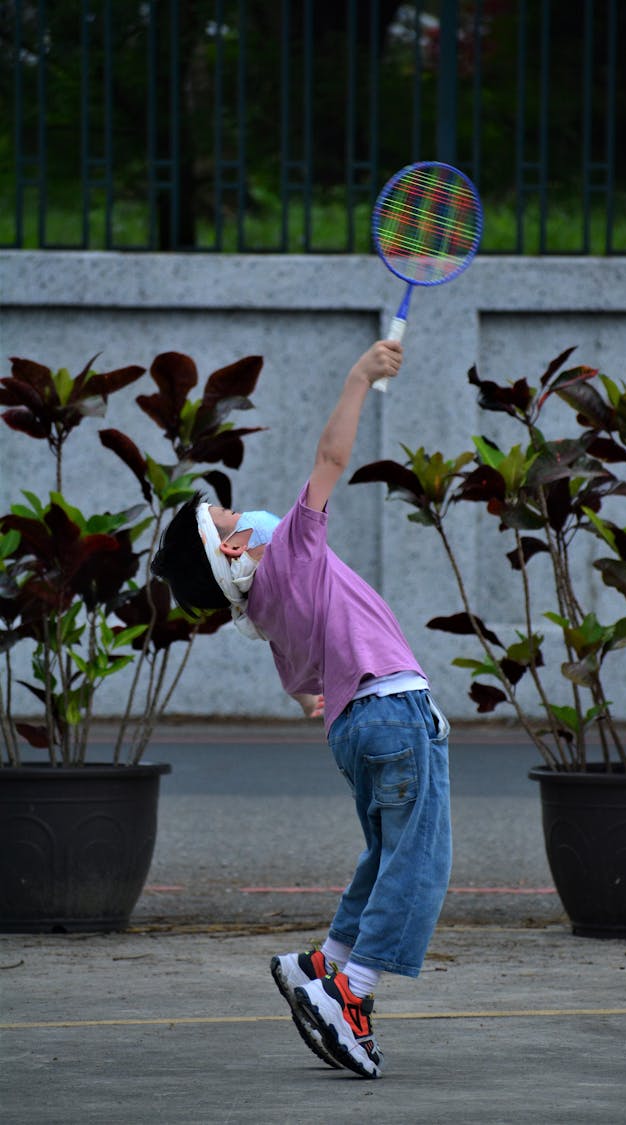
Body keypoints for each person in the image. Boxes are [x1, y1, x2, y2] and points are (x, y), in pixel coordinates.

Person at [151, 339, 452, 1079]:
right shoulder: (289, 552)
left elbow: (306, 690)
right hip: (393, 711)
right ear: (234, 555)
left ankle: (326, 961)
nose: (236, 511)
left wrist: (325, 691)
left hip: (352, 728)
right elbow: (330, 458)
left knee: (385, 854)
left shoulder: (268, 615)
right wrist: (357, 377)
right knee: (419, 862)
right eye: (226, 518)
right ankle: (350, 993)